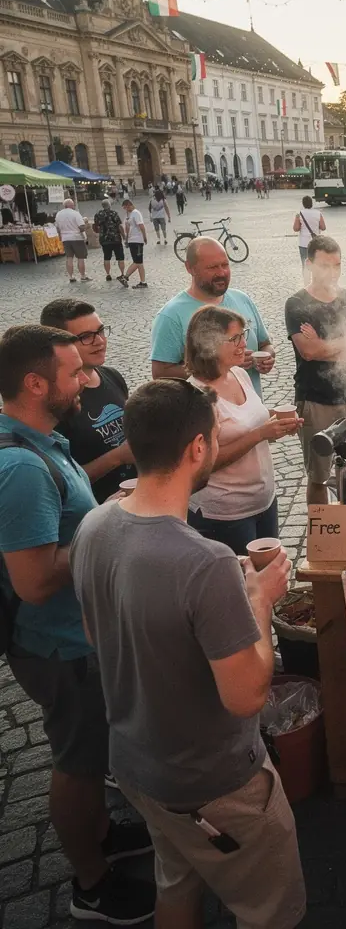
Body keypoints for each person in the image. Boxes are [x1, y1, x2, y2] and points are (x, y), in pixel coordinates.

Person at [71, 379, 306, 929]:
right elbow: (247, 695)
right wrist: (257, 600)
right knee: (271, 911)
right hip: (213, 784)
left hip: (136, 766)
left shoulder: (94, 523)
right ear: (199, 448)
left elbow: (96, 633)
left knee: (176, 883)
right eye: (217, 435)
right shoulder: (207, 563)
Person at [0, 325, 156, 925]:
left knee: (92, 752)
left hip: (80, 636)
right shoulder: (21, 466)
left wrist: (104, 513)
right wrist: (105, 529)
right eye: (74, 372)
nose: (89, 380)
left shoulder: (43, 440)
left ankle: (102, 837)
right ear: (35, 384)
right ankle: (91, 884)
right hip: (60, 648)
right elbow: (35, 580)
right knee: (78, 763)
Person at [184, 307, 300, 554]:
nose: (244, 344)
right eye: (234, 338)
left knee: (269, 571)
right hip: (226, 514)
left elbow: (250, 419)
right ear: (208, 345)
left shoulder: (238, 374)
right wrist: (261, 434)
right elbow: (203, 462)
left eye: (243, 335)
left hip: (264, 501)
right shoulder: (196, 396)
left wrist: (279, 421)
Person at [285, 235, 346, 502]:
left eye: (337, 265)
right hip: (315, 400)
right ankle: (321, 527)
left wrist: (325, 346)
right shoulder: (297, 304)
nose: (333, 272)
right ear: (309, 264)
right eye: (325, 265)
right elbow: (309, 351)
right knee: (318, 476)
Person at [150, 237, 275, 397]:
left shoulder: (242, 299)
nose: (221, 273)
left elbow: (265, 344)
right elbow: (160, 373)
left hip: (252, 408)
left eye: (225, 265)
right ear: (190, 268)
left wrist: (267, 358)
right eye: (212, 267)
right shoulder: (171, 315)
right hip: (206, 410)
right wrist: (218, 368)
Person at [39, 299, 136, 504]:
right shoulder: (59, 400)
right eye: (85, 337)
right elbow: (61, 481)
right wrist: (117, 457)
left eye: (100, 331)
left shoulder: (113, 376)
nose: (99, 341)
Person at [55, 198, 90, 284]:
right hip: (76, 237)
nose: (74, 206)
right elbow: (81, 227)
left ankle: (71, 277)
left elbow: (57, 228)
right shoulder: (75, 213)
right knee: (80, 258)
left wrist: (60, 236)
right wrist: (86, 226)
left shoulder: (59, 214)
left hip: (65, 238)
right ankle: (83, 276)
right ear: (71, 205)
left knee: (69, 258)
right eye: (73, 204)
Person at [92, 201, 126, 284]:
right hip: (116, 238)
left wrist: (100, 232)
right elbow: (119, 226)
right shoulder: (114, 213)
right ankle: (122, 273)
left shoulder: (98, 215)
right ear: (109, 205)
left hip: (104, 239)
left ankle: (108, 274)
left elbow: (95, 226)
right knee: (120, 257)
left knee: (106, 257)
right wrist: (124, 236)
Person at [292, 195, 326, 275]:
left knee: (305, 264)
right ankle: (316, 280)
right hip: (316, 243)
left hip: (304, 243)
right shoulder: (318, 213)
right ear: (311, 203)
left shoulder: (299, 214)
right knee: (316, 263)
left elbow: (296, 228)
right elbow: (323, 227)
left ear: (303, 204)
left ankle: (306, 281)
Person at [121, 199, 148, 289]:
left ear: (129, 205)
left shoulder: (136, 213)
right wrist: (127, 239)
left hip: (137, 240)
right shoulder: (128, 215)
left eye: (125, 207)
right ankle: (141, 281)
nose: (125, 209)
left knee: (138, 262)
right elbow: (127, 229)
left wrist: (144, 237)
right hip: (132, 241)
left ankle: (127, 277)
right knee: (138, 262)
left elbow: (141, 226)